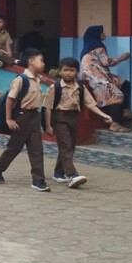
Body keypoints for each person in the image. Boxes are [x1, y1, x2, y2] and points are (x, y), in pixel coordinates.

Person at [44, 57, 117, 189]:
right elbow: (48, 107)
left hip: (74, 118)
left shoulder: (81, 88)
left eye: (71, 70)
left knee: (70, 146)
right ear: (60, 71)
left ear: (76, 72)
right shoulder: (54, 88)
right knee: (66, 145)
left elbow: (90, 104)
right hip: (59, 118)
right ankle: (71, 175)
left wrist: (104, 115)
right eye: (65, 70)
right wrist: (48, 125)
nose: (68, 73)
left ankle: (58, 172)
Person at [0, 48, 49, 191]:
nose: (44, 64)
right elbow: (10, 100)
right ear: (31, 61)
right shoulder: (21, 79)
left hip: (34, 116)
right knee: (14, 147)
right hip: (21, 117)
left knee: (36, 149)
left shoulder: (38, 79)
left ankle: (38, 180)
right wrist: (9, 119)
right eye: (41, 60)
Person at [80, 25, 132, 128]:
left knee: (124, 83)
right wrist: (121, 58)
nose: (104, 34)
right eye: (101, 32)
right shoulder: (98, 45)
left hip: (91, 77)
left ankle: (125, 111)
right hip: (97, 76)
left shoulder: (87, 47)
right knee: (116, 94)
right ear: (96, 34)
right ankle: (115, 123)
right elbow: (106, 62)